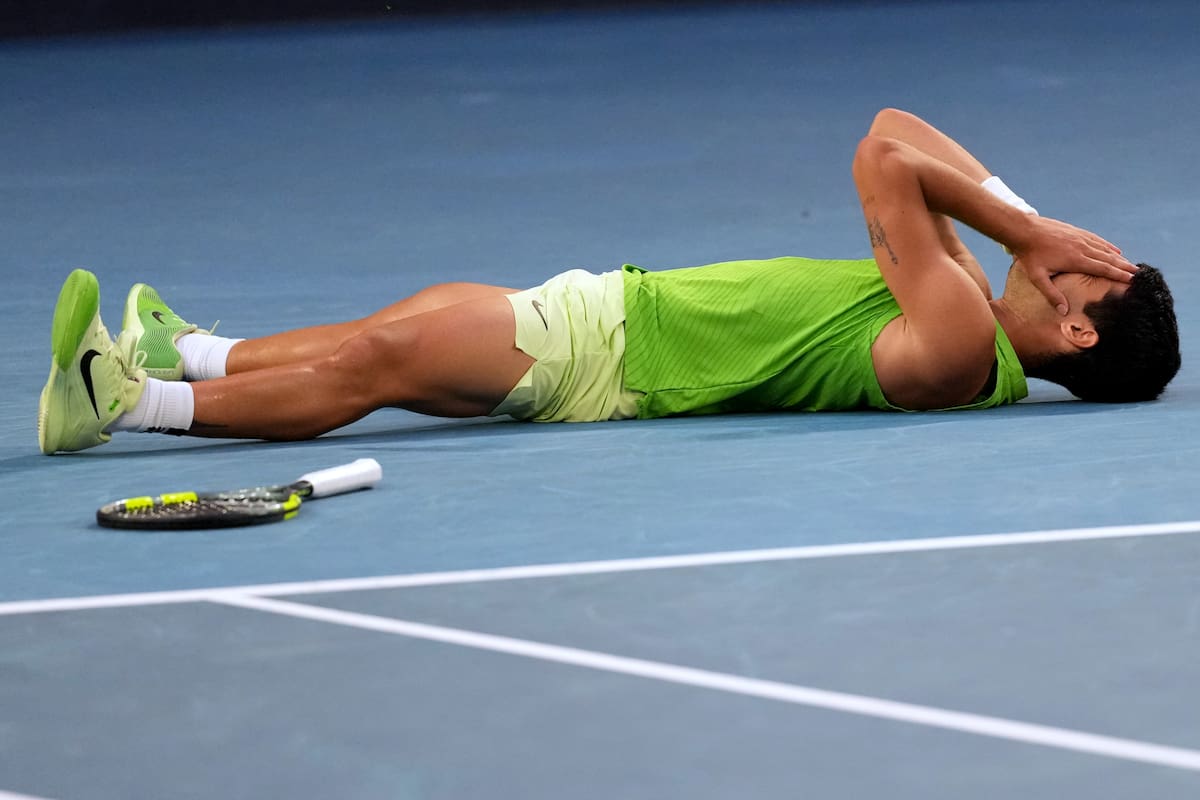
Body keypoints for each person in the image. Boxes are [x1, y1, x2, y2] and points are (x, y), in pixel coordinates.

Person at [37, 108, 1180, 455]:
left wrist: (1024, 228)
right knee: (403, 323)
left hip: (615, 355)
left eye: (1081, 276)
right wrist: (1030, 228)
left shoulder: (956, 341)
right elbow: (904, 125)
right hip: (619, 317)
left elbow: (882, 156)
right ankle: (189, 352)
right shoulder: (970, 309)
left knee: (379, 364)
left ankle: (127, 400)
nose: (1063, 261)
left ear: (1076, 334)